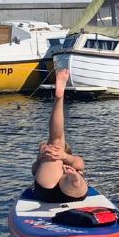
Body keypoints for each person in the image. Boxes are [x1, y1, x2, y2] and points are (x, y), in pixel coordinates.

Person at [32, 68, 89, 203]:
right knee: (56, 143)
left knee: (56, 142)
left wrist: (62, 156)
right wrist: (44, 156)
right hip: (68, 190)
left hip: (47, 190)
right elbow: (79, 164)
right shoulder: (46, 161)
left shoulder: (67, 158)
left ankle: (74, 179)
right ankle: (74, 179)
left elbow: (79, 163)